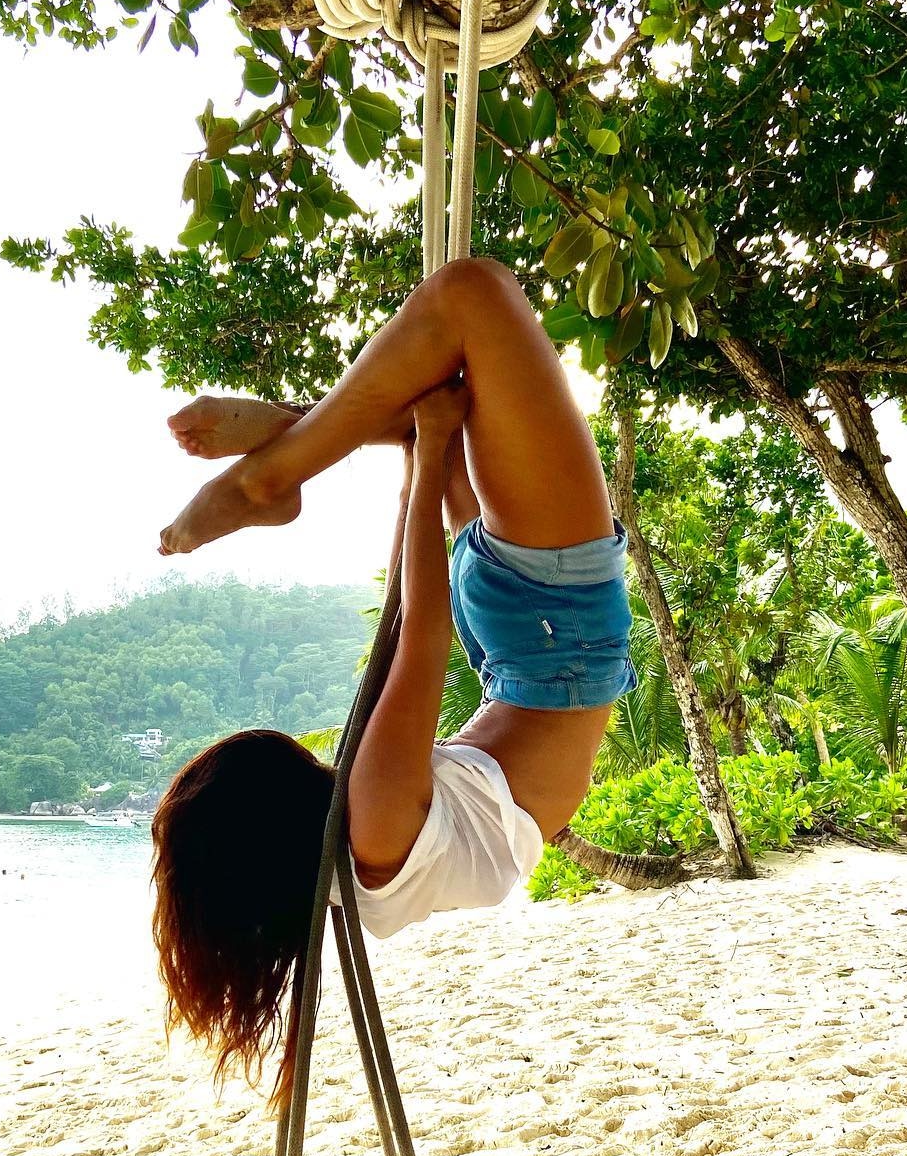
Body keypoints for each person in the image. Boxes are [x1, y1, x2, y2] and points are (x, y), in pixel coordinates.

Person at [150, 258, 635, 1101]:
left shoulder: (359, 879)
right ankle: (278, 466)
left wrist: (429, 460)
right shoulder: (370, 814)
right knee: (467, 311)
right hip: (543, 627)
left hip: (539, 648)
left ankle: (293, 451)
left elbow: (415, 637)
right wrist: (429, 456)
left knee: (462, 345)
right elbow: (420, 634)